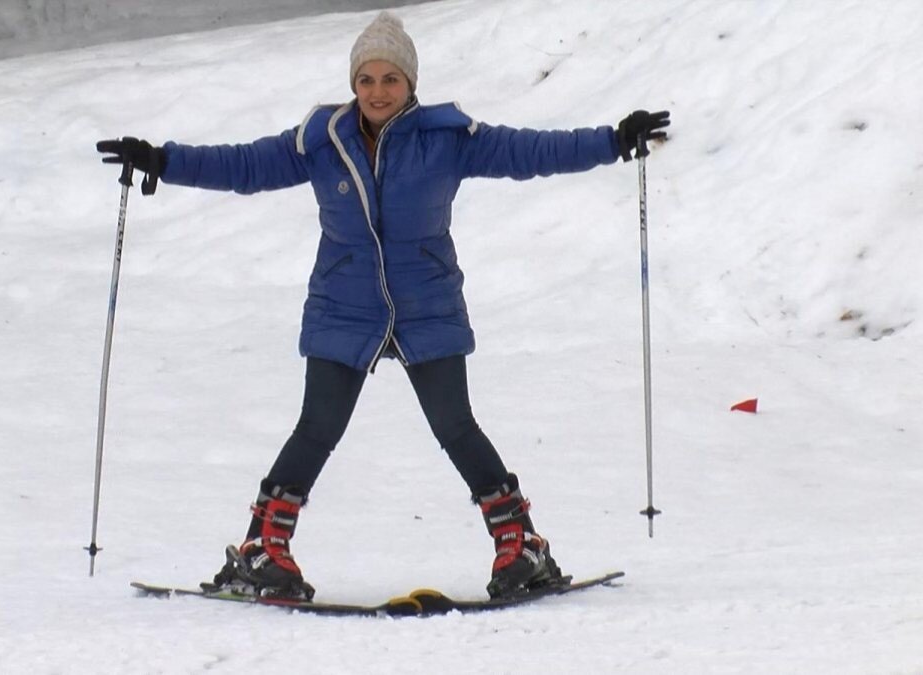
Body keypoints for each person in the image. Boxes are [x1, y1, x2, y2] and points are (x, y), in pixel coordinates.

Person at [97, 10, 669, 601]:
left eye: (390, 79)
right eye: (366, 79)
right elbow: (243, 165)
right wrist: (163, 160)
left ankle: (521, 546)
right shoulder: (321, 143)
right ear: (353, 84)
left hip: (427, 303)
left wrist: (612, 142)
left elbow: (532, 151)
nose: (377, 91)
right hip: (343, 305)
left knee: (455, 425)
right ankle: (261, 550)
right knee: (317, 426)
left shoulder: (446, 139)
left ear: (410, 83)